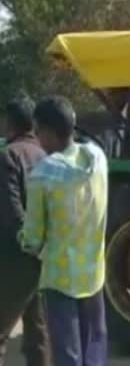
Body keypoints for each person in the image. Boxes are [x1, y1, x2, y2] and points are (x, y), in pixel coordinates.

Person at [19, 96, 108, 366]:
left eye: (37, 131)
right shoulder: (98, 157)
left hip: (61, 280)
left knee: (68, 355)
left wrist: (21, 239)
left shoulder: (44, 175)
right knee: (94, 349)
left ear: (46, 131)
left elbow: (33, 239)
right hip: (94, 275)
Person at [0, 96, 50, 366]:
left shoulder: (9, 155)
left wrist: (28, 244)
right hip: (41, 259)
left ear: (11, 123)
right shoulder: (45, 155)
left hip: (14, 258)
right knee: (36, 333)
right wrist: (42, 248)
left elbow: (11, 210)